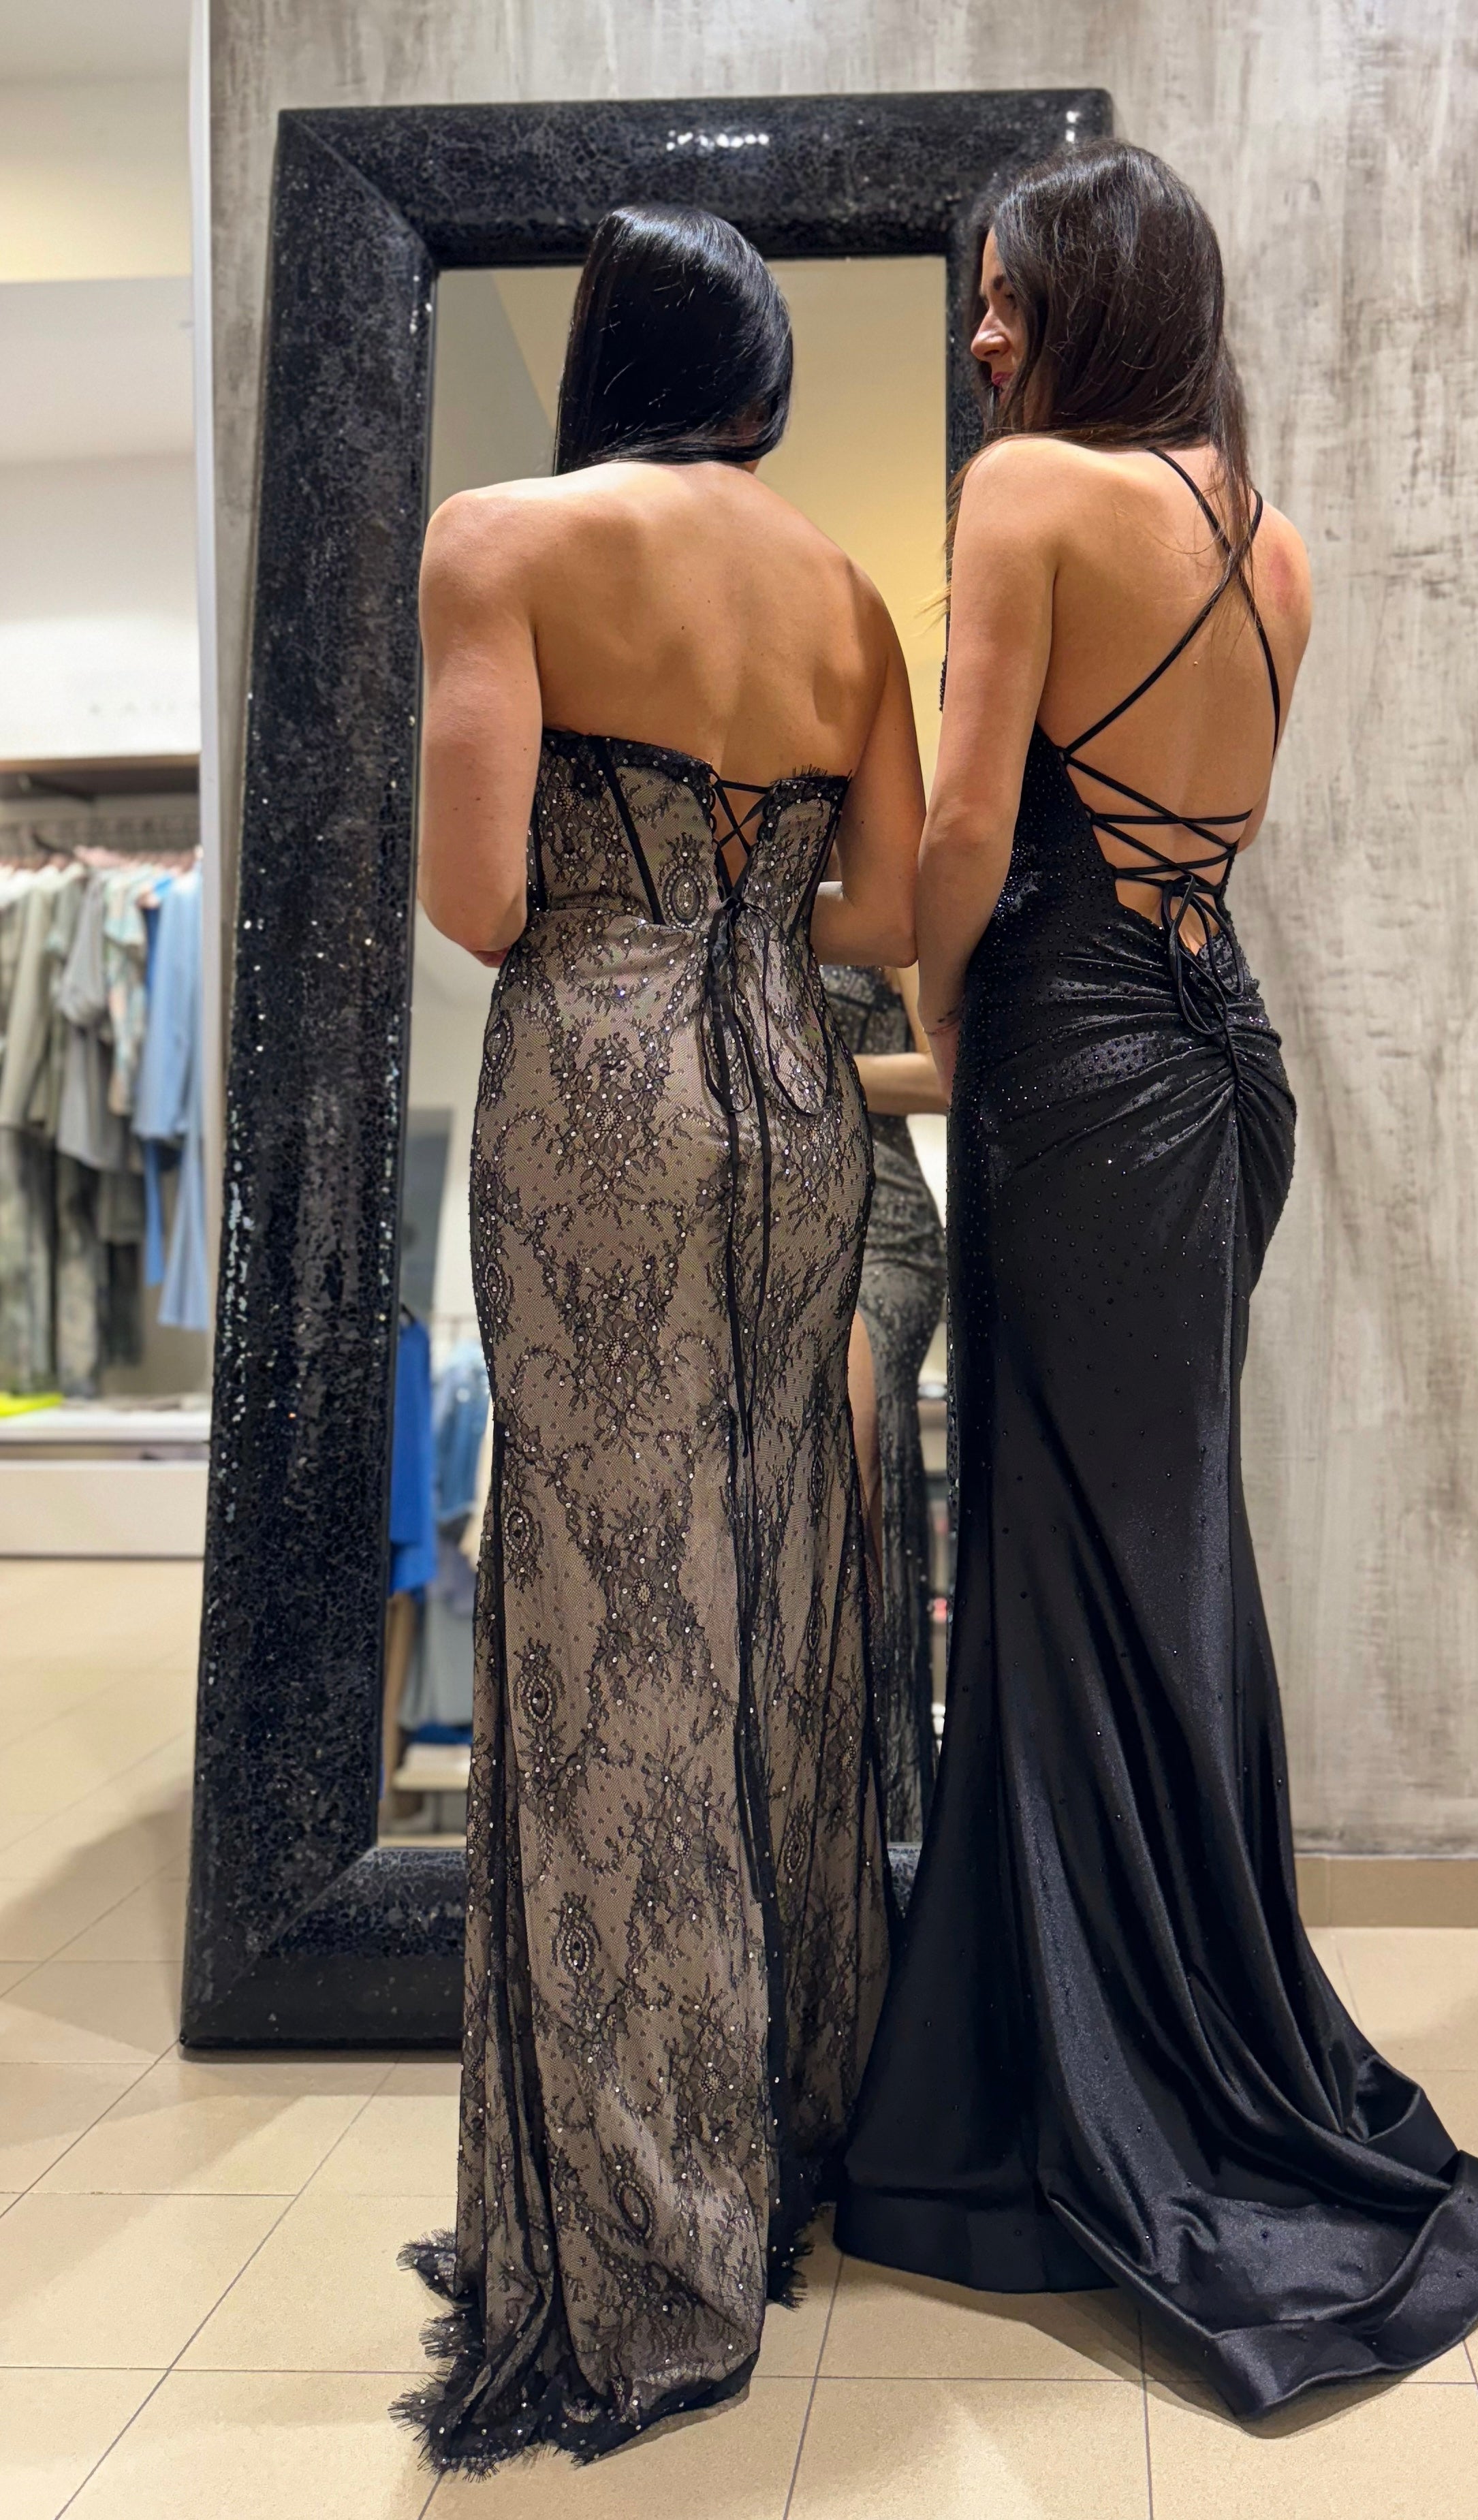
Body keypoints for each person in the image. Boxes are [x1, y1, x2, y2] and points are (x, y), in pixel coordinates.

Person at [836, 142, 1478, 2417]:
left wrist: (935, 1022)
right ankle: (1118, 2047)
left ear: (1095, 301)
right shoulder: (1273, 542)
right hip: (1222, 1069)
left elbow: (965, 827)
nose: (982, 333)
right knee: (1154, 1565)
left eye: (1007, 294)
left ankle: (1100, 2104)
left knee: (1069, 1573)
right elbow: (1196, 838)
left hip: (1080, 1071)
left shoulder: (1031, 495)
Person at [398, 204, 921, 2471]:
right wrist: (755, 902)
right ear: (762, 370)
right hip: (795, 1110)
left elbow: (478, 893)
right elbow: (885, 902)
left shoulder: (501, 537)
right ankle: (783, 2138)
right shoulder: (846, 599)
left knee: (607, 1630)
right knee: (776, 1599)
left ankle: (641, 2234)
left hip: (599, 1104)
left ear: (607, 351)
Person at [820, 959, 947, 1842]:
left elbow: (948, 1072)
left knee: (856, 1456)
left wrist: (804, 1064)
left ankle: (884, 1819)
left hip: (878, 1229)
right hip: (755, 1223)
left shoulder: (881, 913)